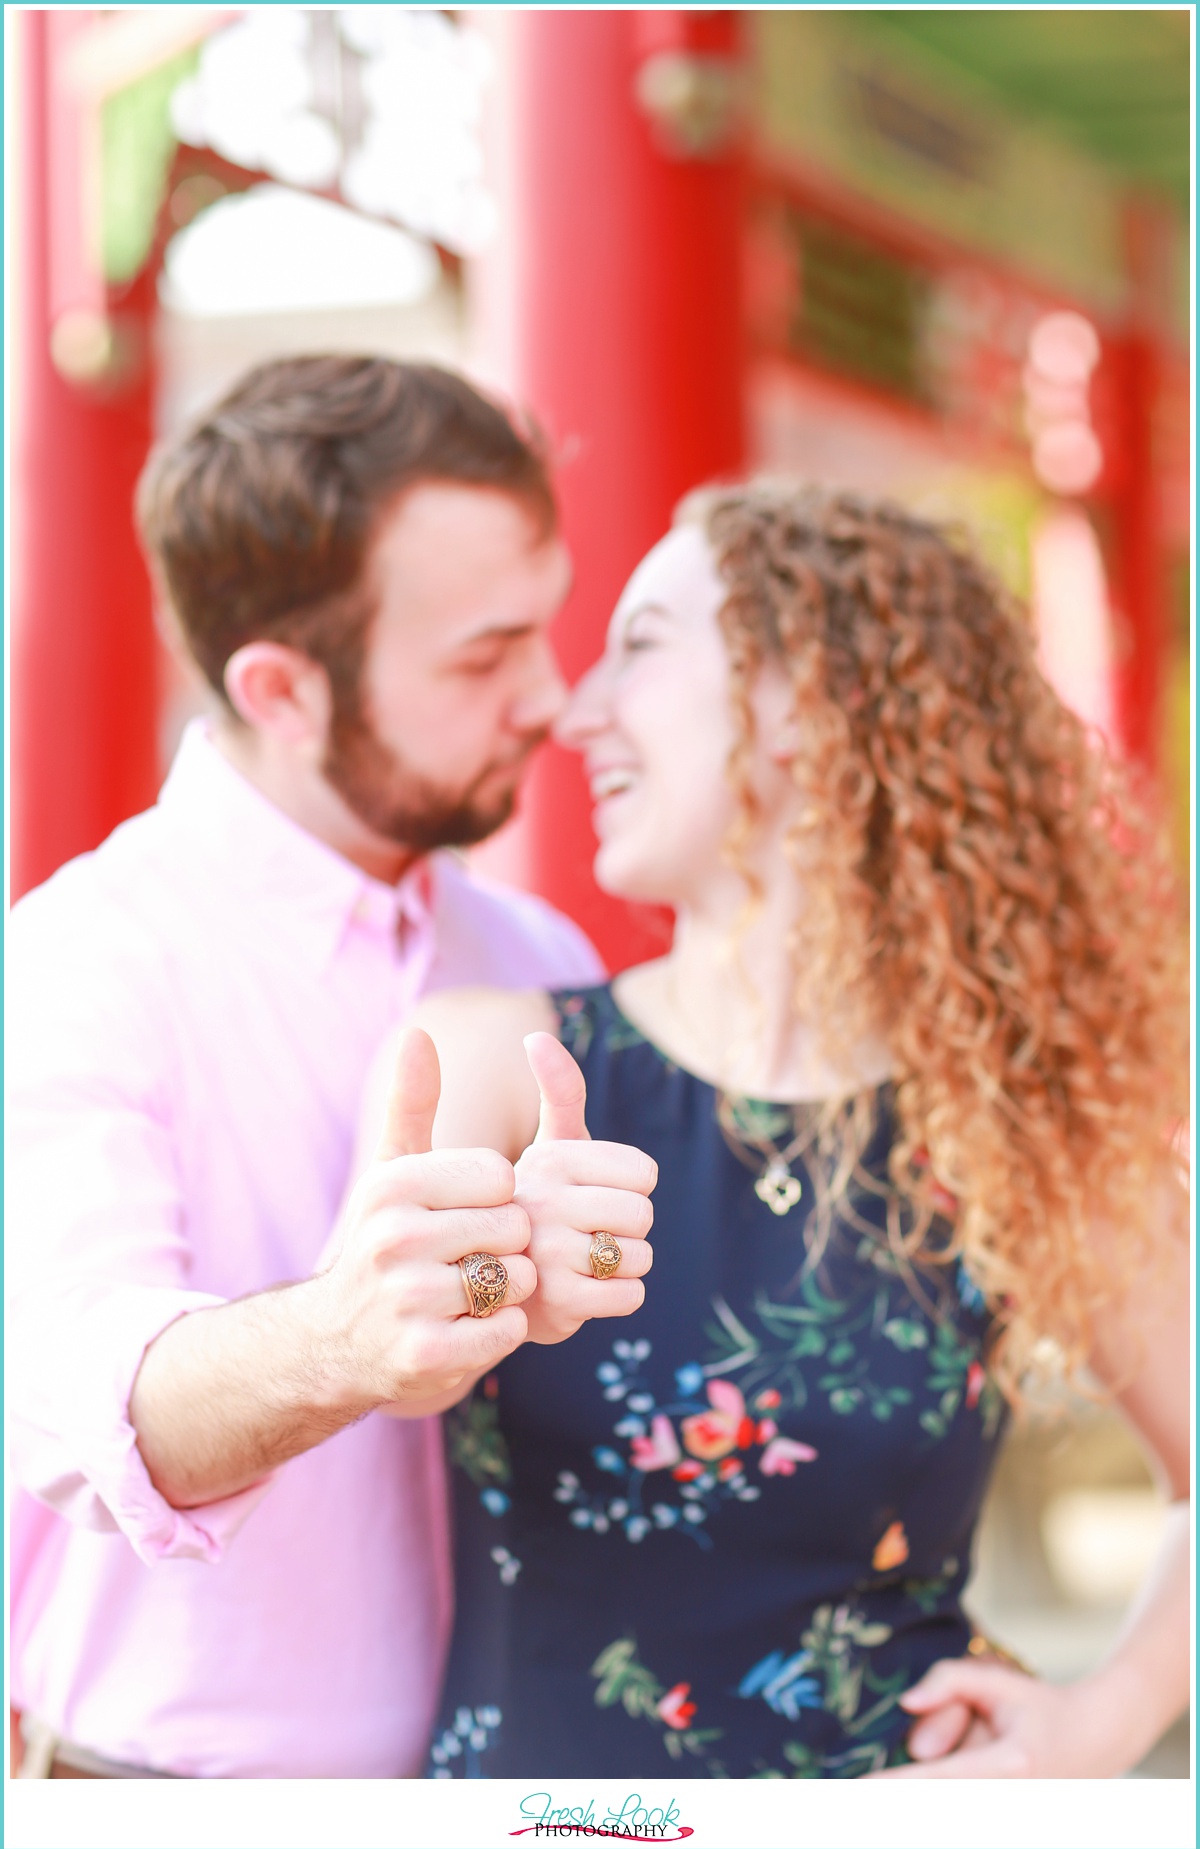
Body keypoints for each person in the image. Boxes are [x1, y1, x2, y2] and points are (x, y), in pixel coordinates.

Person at [372, 482, 1190, 1780]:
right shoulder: (497, 1060)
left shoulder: (1012, 1116)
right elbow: (352, 1366)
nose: (577, 712)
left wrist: (1103, 1718)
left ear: (809, 692)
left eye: (639, 645)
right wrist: (469, 1282)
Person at [8, 355, 657, 1779]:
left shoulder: (528, 944)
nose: (552, 697)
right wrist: (347, 1339)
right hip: (163, 1797)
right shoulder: (77, 961)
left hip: (512, 1781)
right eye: (484, 658)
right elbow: (86, 1395)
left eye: (544, 631)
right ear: (282, 688)